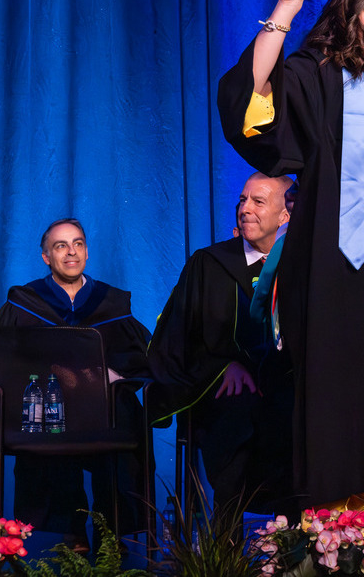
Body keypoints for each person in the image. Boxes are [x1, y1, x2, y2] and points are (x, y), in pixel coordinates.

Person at [216, 0, 364, 514]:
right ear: (344, 15)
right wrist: (286, 6)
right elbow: (248, 101)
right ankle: (324, 534)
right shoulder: (311, 76)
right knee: (329, 397)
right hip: (326, 270)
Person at [0, 218, 151, 551]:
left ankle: (112, 532)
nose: (71, 252)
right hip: (50, 409)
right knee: (50, 419)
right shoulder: (25, 302)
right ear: (46, 256)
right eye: (61, 246)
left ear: (87, 252)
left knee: (126, 418)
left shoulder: (112, 303)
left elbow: (138, 357)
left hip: (104, 409)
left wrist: (113, 376)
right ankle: (70, 530)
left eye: (77, 244)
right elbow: (1, 357)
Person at [146, 172, 296, 513]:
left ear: (284, 215)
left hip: (288, 387)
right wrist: (221, 366)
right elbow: (179, 337)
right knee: (237, 411)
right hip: (222, 390)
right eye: (243, 200)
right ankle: (227, 546)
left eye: (258, 201)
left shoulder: (301, 264)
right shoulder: (209, 264)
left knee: (301, 414)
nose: (245, 208)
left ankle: (296, 543)